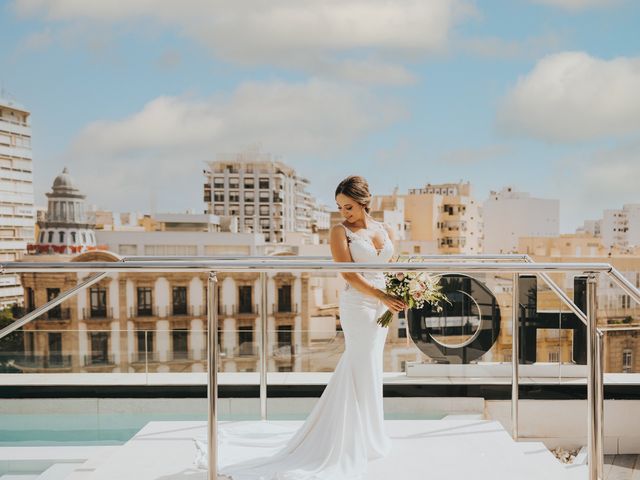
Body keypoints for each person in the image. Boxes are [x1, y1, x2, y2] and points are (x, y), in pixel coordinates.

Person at [198, 175, 405, 480]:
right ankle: (351, 440)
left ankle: (371, 435)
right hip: (359, 306)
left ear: (364, 203)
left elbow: (393, 265)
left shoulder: (385, 229)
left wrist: (403, 289)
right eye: (339, 207)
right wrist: (381, 295)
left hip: (382, 307)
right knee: (360, 364)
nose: (343, 212)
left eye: (348, 206)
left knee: (371, 366)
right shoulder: (339, 232)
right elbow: (347, 275)